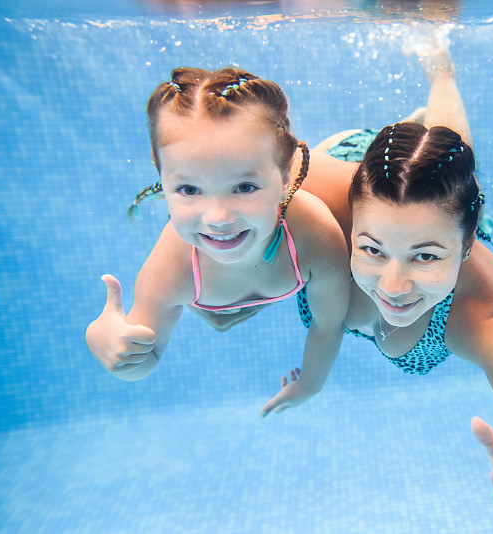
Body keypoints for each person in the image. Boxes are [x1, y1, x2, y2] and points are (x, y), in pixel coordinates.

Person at [285, 38, 493, 529]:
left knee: (452, 152)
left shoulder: (480, 312)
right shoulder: (315, 209)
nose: (395, 286)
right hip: (351, 165)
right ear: (350, 228)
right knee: (431, 162)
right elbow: (211, 174)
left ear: (466, 247)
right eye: (372, 251)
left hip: (423, 202)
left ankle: (439, 67)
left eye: (427, 257)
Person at [85, 67, 350, 417]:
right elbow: (145, 360)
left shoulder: (315, 234)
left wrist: (310, 384)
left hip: (345, 163)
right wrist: (102, 340)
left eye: (244, 187)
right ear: (160, 174)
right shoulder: (170, 270)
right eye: (189, 189)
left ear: (286, 175)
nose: (218, 219)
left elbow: (329, 323)